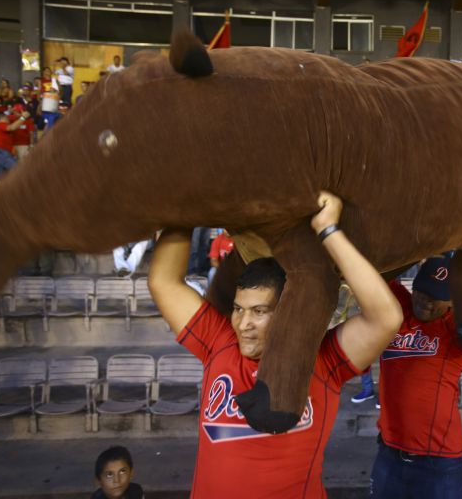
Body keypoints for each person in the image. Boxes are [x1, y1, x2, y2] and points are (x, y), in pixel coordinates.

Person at [147, 191, 402, 497]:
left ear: (286, 311)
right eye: (239, 309)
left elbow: (386, 318)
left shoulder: (320, 360)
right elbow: (162, 281)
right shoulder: (219, 341)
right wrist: (185, 206)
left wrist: (329, 232)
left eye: (259, 312)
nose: (244, 324)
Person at [372, 253, 462, 498]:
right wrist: (417, 250)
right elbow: (378, 269)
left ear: (452, 302)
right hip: (389, 452)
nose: (426, 302)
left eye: (437, 298)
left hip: (438, 460)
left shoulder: (455, 326)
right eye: (423, 292)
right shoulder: (400, 305)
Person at [0, 112, 27, 179]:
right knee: (19, 170)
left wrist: (18, 115)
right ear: (2, 118)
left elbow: (13, 117)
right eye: (7, 118)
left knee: (1, 178)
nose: (9, 120)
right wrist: (23, 117)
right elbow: (11, 128)